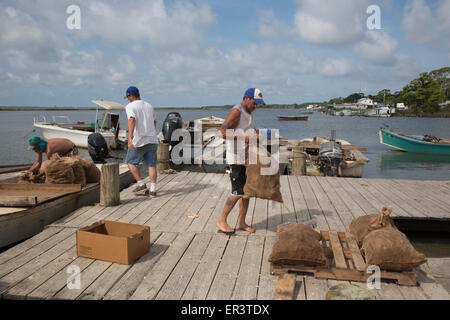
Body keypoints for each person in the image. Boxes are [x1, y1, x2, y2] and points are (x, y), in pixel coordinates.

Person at [216, 88, 265, 234]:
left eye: (258, 104)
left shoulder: (250, 112)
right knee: (237, 191)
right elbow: (222, 133)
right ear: (246, 98)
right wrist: (244, 138)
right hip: (235, 157)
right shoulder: (236, 111)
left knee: (247, 192)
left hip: (246, 156)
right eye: (255, 103)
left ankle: (242, 222)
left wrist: (257, 135)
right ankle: (222, 220)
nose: (256, 106)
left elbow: (249, 129)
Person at [124, 86, 158, 197]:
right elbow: (154, 122)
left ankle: (141, 183)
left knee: (130, 162)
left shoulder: (130, 106)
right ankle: (153, 190)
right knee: (151, 164)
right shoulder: (149, 105)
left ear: (131, 95)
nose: (128, 99)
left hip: (139, 140)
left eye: (128, 96)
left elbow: (132, 120)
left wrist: (129, 138)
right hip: (152, 139)